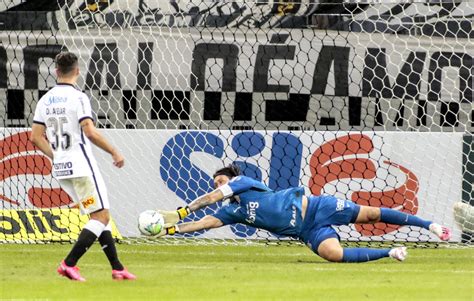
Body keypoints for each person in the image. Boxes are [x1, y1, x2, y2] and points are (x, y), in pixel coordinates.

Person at [155, 164, 452, 263]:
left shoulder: (242, 184)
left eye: (221, 181)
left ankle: (430, 225)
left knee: (372, 214)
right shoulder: (234, 212)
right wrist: (172, 229)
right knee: (333, 254)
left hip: (316, 206)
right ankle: (391, 253)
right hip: (306, 231)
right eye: (218, 183)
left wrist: (181, 210)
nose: (220, 186)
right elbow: (207, 221)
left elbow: (211, 198)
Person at [30, 52, 136, 281]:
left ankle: (117, 268)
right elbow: (89, 131)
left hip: (63, 170)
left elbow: (36, 138)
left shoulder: (45, 100)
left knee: (98, 214)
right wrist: (114, 151)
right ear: (78, 71)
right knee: (101, 216)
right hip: (81, 166)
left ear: (56, 71)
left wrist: (56, 155)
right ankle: (69, 264)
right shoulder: (79, 98)